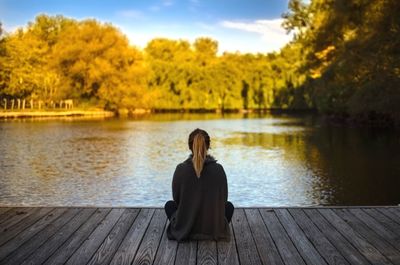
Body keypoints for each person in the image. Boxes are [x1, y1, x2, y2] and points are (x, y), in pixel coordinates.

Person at [164, 128, 234, 242]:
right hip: (213, 228)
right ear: (209, 145)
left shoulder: (180, 169)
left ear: (189, 146)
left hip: (186, 228)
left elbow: (176, 200)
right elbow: (223, 201)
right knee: (229, 206)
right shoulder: (219, 169)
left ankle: (187, 228)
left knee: (169, 205)